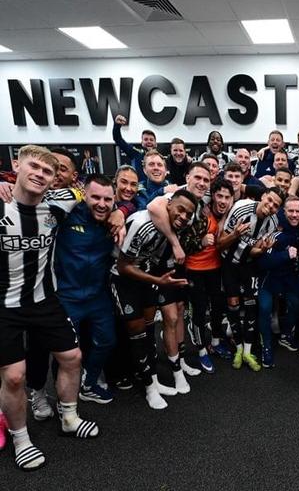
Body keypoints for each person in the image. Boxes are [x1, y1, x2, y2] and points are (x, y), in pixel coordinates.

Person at [1, 145, 99, 471]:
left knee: (72, 357)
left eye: (47, 171)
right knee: (14, 377)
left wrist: (116, 214)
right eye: (34, 167)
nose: (40, 174)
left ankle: (69, 418)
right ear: (16, 166)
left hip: (44, 299)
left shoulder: (59, 202)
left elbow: (87, 192)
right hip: (4, 305)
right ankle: (21, 439)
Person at [111, 189, 197, 409]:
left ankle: (154, 380)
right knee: (137, 331)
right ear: (168, 205)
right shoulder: (143, 225)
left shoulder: (176, 225)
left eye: (188, 214)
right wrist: (158, 280)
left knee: (149, 330)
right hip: (123, 277)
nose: (183, 217)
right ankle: (149, 388)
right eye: (180, 210)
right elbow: (123, 266)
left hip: (146, 274)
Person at [55, 174, 118, 404]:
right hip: (66, 297)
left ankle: (89, 384)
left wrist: (120, 213)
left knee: (107, 341)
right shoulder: (66, 215)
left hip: (97, 297)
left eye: (107, 199)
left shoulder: (113, 221)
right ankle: (62, 402)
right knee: (66, 353)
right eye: (96, 197)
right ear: (84, 195)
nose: (102, 204)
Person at [220, 187, 285, 371]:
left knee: (251, 304)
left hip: (248, 264)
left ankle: (248, 352)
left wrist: (263, 249)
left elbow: (254, 251)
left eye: (276, 205)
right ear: (263, 196)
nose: (271, 206)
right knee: (233, 304)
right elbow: (220, 243)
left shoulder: (273, 222)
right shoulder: (241, 208)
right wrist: (235, 234)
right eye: (269, 200)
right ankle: (238, 349)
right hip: (229, 261)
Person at [184, 178, 235, 374]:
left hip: (215, 268)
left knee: (217, 307)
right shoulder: (201, 214)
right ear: (212, 196)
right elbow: (184, 243)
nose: (223, 201)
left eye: (227, 197)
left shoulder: (227, 214)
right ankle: (201, 350)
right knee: (199, 311)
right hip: (195, 269)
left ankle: (215, 342)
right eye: (219, 196)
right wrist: (202, 241)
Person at [258, 196, 299, 366]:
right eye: (290, 211)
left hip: (289, 277)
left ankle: (286, 335)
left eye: (298, 211)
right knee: (265, 308)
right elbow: (263, 261)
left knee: (296, 302)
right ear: (283, 212)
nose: (294, 215)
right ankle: (266, 346)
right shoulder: (276, 233)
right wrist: (286, 255)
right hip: (270, 277)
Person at [112, 114, 156, 182]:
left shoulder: (160, 158)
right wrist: (117, 125)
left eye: (151, 140)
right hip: (139, 187)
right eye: (146, 139)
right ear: (142, 142)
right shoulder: (136, 153)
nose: (149, 141)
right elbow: (118, 139)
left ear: (155, 143)